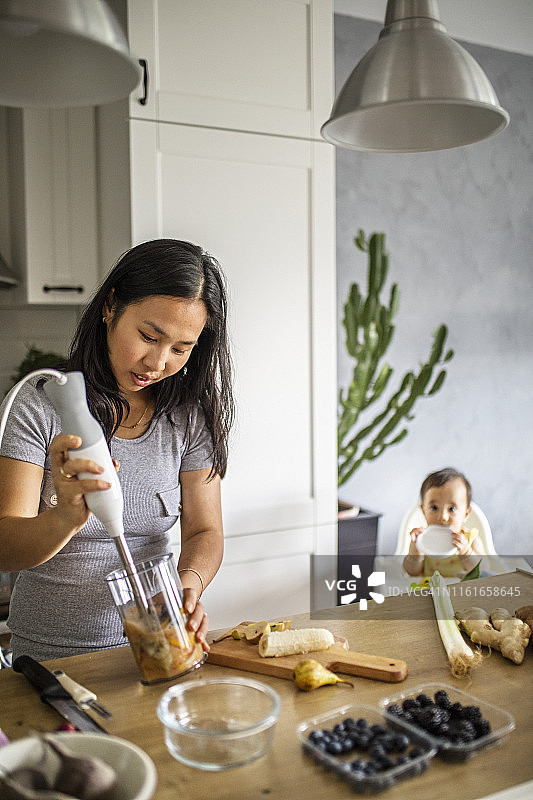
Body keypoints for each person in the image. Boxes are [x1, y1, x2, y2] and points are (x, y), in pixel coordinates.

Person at [0, 238, 234, 662]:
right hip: (50, 662)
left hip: (159, 650)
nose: (158, 362)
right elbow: (4, 546)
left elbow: (206, 531)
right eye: (149, 336)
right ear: (110, 307)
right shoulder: (39, 406)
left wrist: (186, 586)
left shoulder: (188, 417)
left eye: (181, 349)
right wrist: (67, 516)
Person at [403, 467, 483, 578]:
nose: (443, 517)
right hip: (428, 591)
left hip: (461, 592)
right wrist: (415, 553)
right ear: (423, 511)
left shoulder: (470, 539)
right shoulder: (423, 539)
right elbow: (412, 572)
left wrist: (466, 553)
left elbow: (483, 570)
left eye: (452, 509)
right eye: (434, 508)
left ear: (466, 514)